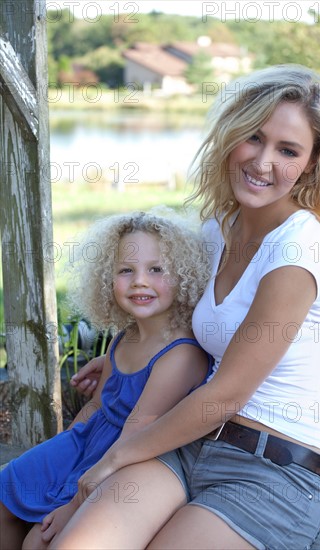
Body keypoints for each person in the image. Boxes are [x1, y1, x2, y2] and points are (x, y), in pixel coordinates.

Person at [51, 64, 320, 550]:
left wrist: (116, 456)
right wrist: (117, 359)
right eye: (253, 137)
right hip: (191, 441)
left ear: (311, 163)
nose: (262, 162)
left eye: (287, 151)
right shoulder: (219, 229)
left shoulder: (297, 252)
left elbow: (228, 393)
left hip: (271, 472)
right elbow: (184, 325)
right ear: (231, 135)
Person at [0, 211, 213, 550]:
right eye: (126, 270)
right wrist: (62, 453)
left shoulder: (180, 355)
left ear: (184, 277)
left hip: (124, 458)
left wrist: (71, 506)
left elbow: (136, 433)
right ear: (107, 279)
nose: (139, 281)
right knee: (5, 489)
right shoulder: (122, 338)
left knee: (37, 541)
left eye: (156, 269)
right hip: (86, 442)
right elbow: (97, 405)